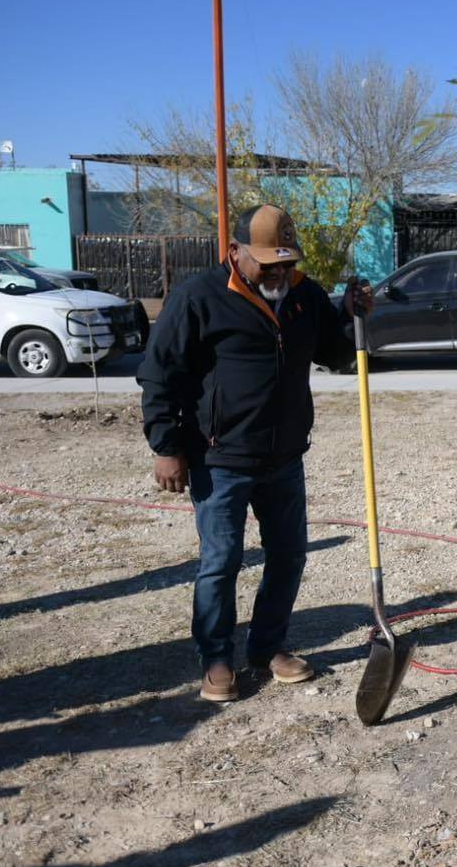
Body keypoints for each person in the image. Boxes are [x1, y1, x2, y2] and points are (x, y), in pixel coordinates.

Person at [138, 204, 371, 703]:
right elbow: (159, 373)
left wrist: (351, 318)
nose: (279, 273)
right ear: (236, 252)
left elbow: (332, 354)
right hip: (219, 459)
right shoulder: (198, 297)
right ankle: (217, 658)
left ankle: (268, 648)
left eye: (286, 262)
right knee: (221, 562)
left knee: (288, 556)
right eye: (268, 264)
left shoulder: (305, 295)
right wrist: (166, 446)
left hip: (285, 457)